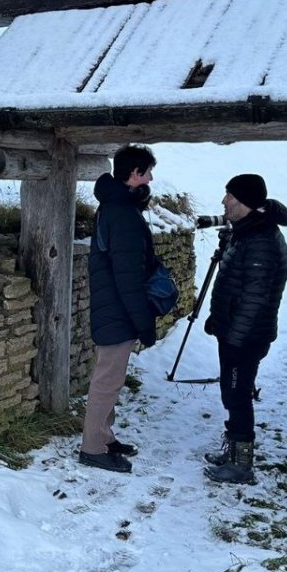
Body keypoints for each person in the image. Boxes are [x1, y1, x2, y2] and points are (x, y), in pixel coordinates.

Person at [202, 173, 287, 485]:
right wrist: (221, 319)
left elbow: (255, 299)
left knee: (238, 394)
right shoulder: (247, 233)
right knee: (232, 391)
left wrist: (235, 339)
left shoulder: (261, 242)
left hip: (245, 337)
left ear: (247, 204)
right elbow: (235, 287)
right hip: (236, 332)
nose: (224, 202)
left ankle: (241, 465)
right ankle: (234, 450)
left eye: (230, 197)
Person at [79, 144, 162, 473]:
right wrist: (145, 323)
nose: (152, 178)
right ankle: (93, 448)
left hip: (112, 307)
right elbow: (128, 277)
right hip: (117, 310)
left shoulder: (116, 205)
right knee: (106, 381)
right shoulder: (123, 214)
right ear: (134, 175)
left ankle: (103, 436)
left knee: (109, 379)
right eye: (147, 172)